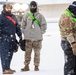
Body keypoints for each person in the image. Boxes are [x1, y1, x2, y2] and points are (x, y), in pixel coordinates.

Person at [21, 1, 47, 71]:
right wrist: (24, 32)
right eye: (31, 6)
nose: (33, 8)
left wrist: (40, 32)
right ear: (30, 7)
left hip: (37, 39)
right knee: (27, 53)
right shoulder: (26, 15)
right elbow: (22, 24)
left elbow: (44, 25)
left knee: (37, 53)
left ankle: (36, 66)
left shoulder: (40, 16)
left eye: (34, 6)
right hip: (28, 38)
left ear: (36, 7)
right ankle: (26, 66)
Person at [0, 3, 22, 74]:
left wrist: (20, 36)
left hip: (12, 37)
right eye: (7, 8)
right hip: (4, 38)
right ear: (4, 8)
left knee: (10, 53)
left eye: (10, 8)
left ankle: (8, 67)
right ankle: (4, 69)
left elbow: (17, 27)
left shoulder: (13, 17)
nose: (9, 9)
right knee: (4, 54)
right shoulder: (1, 17)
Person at [59, 1, 76, 75]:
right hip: (68, 42)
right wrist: (73, 44)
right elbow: (68, 32)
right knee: (70, 64)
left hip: (74, 41)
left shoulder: (73, 15)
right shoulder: (66, 17)